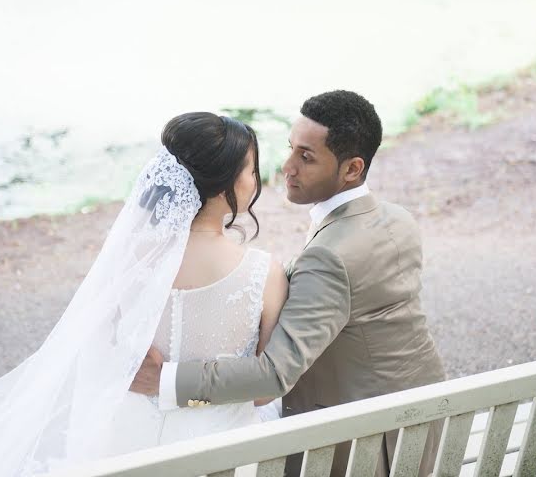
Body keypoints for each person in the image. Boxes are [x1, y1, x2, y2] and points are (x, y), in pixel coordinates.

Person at [0, 112, 288, 477]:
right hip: (221, 457)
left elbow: (104, 356)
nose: (257, 178)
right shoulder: (263, 273)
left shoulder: (134, 261)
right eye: (251, 169)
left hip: (120, 446)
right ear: (225, 183)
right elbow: (263, 392)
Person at [131, 90, 447, 477]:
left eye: (306, 157)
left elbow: (274, 375)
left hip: (364, 446)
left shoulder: (328, 257)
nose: (287, 167)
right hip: (420, 423)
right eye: (291, 149)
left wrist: (164, 381)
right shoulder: (397, 219)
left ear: (351, 169)